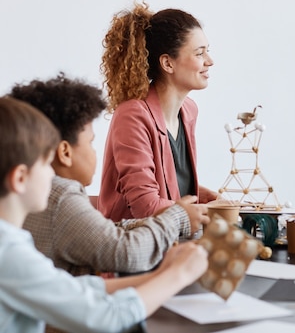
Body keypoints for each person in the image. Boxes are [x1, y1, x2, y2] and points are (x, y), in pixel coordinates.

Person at [0, 96, 208, 333]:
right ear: (19, 178)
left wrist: (160, 274)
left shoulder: (13, 243)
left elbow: (72, 288)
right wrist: (177, 275)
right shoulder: (9, 253)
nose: (51, 174)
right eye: (46, 164)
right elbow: (106, 318)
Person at [9, 73, 210, 276]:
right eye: (90, 142)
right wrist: (177, 218)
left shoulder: (41, 201)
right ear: (65, 153)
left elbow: (106, 231)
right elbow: (127, 252)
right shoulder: (61, 197)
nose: (96, 152)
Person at [98, 1, 219, 221]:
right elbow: (145, 205)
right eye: (200, 53)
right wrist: (205, 212)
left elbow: (167, 185)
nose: (210, 61)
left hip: (174, 238)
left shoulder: (189, 111)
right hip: (133, 244)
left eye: (207, 51)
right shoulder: (132, 116)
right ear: (168, 64)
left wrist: (203, 197)